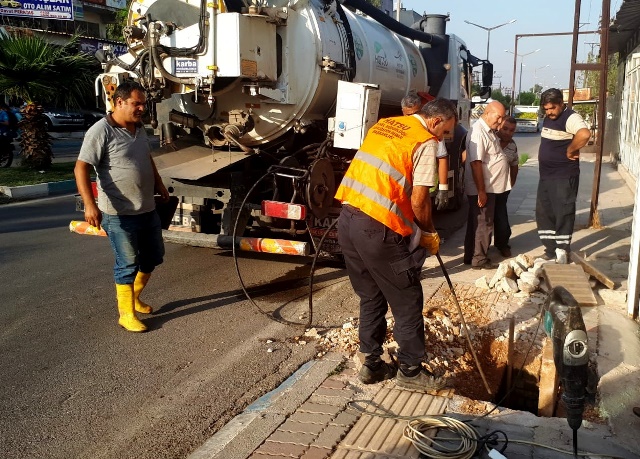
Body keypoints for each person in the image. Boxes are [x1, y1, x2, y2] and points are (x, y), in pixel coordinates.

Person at [335, 98, 458, 392]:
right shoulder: (425, 142)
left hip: (348, 220)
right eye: (445, 132)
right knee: (407, 299)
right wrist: (428, 232)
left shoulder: (386, 124)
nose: (442, 139)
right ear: (435, 121)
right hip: (377, 229)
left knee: (371, 295)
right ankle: (411, 370)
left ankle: (372, 364)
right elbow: (419, 199)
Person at [74, 81, 170, 333]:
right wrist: (89, 204)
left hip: (147, 208)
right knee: (127, 263)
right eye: (136, 103)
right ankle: (125, 314)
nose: (141, 108)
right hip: (119, 213)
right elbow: (80, 167)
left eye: (143, 103)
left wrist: (158, 183)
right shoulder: (101, 131)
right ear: (119, 102)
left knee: (153, 257)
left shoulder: (139, 129)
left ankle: (135, 298)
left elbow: (146, 158)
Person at [536, 88, 591, 263]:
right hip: (546, 176)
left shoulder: (571, 117)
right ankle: (550, 250)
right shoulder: (548, 117)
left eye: (552, 108)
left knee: (563, 213)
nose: (549, 112)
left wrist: (571, 149)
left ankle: (562, 250)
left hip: (564, 176)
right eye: (546, 109)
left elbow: (584, 134)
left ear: (561, 104)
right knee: (544, 213)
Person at [463, 101, 509, 269]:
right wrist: (481, 191)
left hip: (488, 187)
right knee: (484, 223)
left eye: (502, 118)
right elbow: (476, 163)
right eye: (498, 117)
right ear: (488, 113)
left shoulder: (488, 131)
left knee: (477, 223)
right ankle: (480, 259)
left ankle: (472, 255)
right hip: (483, 188)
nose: (500, 122)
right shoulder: (479, 132)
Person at [401, 93, 450, 210]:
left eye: (415, 113)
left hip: (425, 188)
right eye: (408, 114)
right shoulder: (399, 128)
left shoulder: (431, 131)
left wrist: (443, 189)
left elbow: (442, 158)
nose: (412, 117)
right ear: (402, 111)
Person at [493, 117, 519, 257]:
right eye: (505, 128)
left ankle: (502, 244)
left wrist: (511, 183)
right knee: (483, 221)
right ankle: (479, 250)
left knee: (501, 219)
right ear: (499, 127)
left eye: (512, 130)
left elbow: (514, 166)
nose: (508, 133)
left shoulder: (512, 145)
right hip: (486, 188)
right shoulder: (490, 139)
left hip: (502, 188)